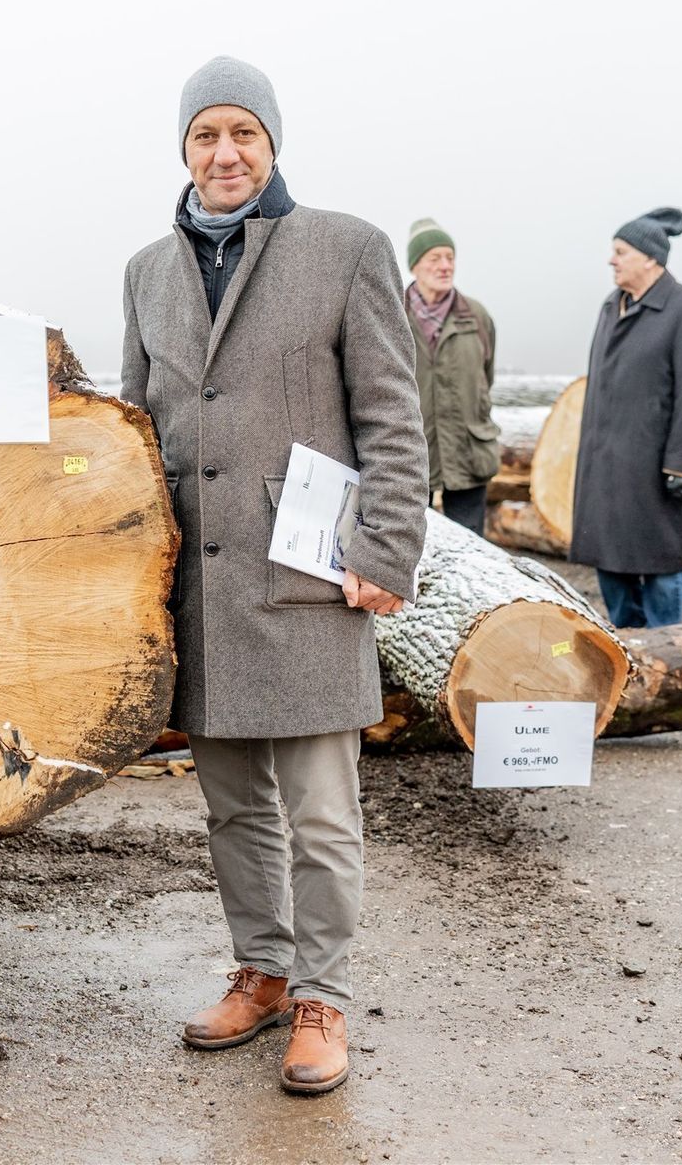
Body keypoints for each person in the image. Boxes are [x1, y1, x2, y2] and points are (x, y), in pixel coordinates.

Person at [121, 56, 428, 1095]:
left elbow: (393, 417)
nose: (225, 154)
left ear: (272, 142)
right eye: (205, 136)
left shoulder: (347, 251)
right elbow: (134, 437)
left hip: (310, 583)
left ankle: (324, 999)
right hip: (200, 595)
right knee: (233, 811)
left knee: (323, 813)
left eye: (242, 134)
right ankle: (261, 971)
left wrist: (385, 552)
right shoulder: (145, 274)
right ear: (183, 150)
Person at [569, 207, 682, 628]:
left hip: (655, 471)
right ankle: (631, 672)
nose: (611, 260)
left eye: (620, 251)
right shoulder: (610, 306)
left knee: (661, 571)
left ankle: (669, 665)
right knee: (611, 570)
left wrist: (680, 466)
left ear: (650, 257)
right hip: (606, 467)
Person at [403, 218, 499, 535]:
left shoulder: (477, 317)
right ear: (415, 265)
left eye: (450, 258)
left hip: (469, 452)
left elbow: (486, 377)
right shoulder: (392, 314)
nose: (445, 266)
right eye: (435, 258)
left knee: (472, 550)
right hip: (409, 457)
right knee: (410, 547)